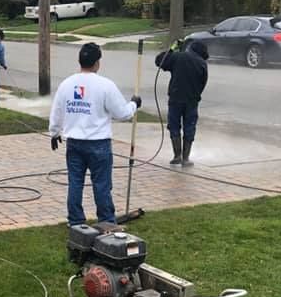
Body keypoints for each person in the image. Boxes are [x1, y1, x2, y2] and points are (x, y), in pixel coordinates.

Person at [49, 42, 140, 226]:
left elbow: (57, 111)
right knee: (102, 185)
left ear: (80, 61)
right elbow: (122, 113)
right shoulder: (105, 85)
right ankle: (106, 221)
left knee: (75, 182)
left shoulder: (67, 84)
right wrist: (134, 104)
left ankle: (75, 221)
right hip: (99, 144)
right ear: (97, 62)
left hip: (74, 143)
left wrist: (54, 132)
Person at [155, 39, 209, 166]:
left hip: (175, 99)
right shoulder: (202, 63)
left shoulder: (177, 57)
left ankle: (177, 155)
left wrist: (172, 48)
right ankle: (186, 158)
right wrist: (195, 94)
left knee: (174, 126)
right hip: (192, 101)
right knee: (189, 127)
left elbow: (159, 61)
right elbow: (203, 83)